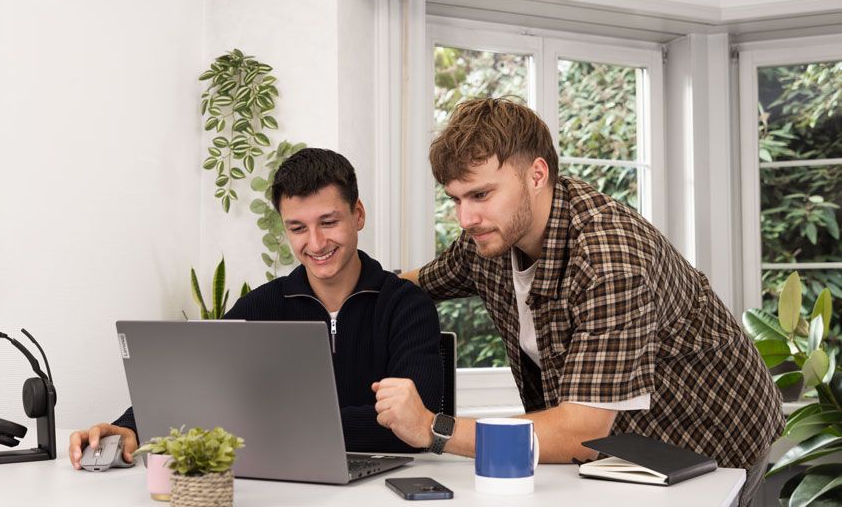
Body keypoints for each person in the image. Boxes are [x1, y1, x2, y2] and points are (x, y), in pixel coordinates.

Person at [375, 98, 783, 507]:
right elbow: (413, 283)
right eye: (456, 199)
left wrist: (434, 428)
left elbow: (582, 434)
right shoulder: (489, 240)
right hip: (619, 454)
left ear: (537, 174)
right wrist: (338, 269)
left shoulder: (610, 258)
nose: (465, 219)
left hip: (714, 440)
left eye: (480, 194)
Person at [70, 148, 443, 468]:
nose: (315, 243)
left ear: (357, 215)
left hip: (381, 486)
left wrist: (266, 425)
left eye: (328, 222)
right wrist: (131, 426)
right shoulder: (262, 304)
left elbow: (415, 426)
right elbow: (195, 384)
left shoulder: (408, 306)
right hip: (280, 485)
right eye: (297, 228)